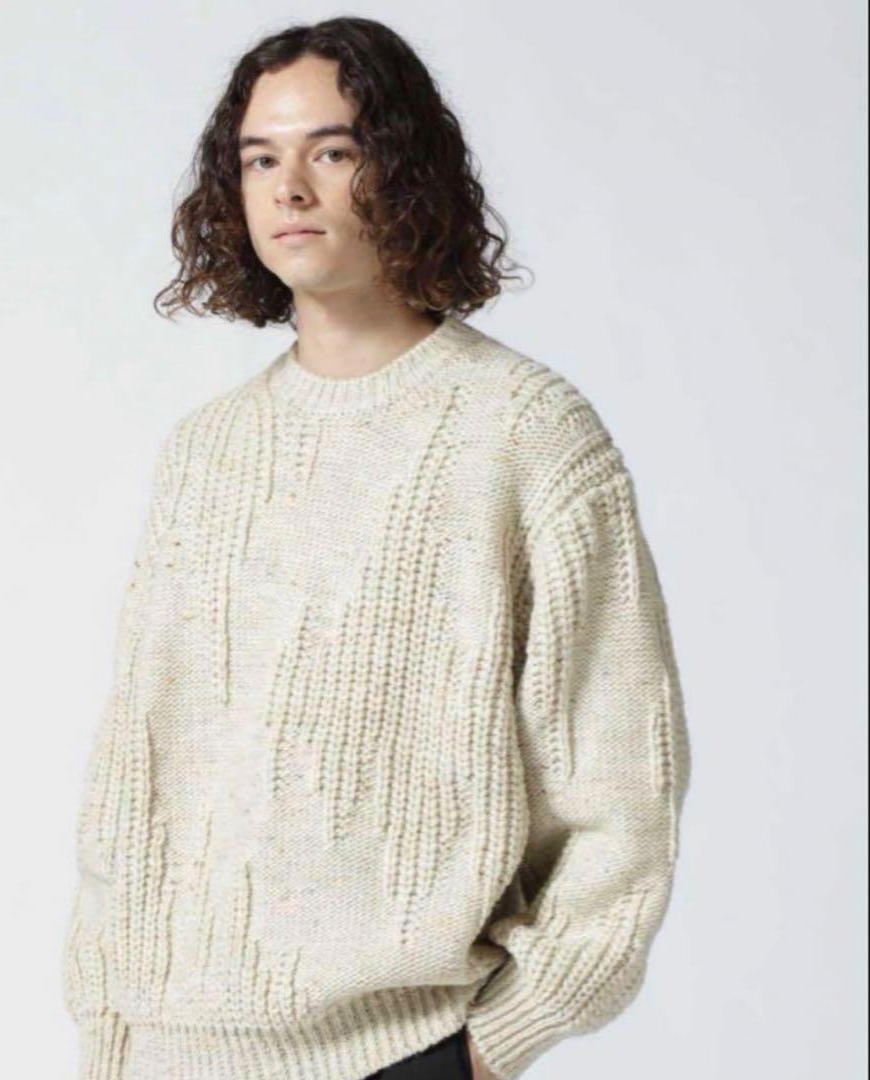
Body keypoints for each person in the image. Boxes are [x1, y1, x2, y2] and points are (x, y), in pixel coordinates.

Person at [61, 17, 691, 1080]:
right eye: (260, 159)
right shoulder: (205, 452)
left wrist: (493, 1044)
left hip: (397, 1050)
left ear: (402, 170)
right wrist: (106, 1031)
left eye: (333, 150)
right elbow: (139, 773)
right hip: (167, 1053)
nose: (289, 188)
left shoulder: (524, 433)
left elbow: (620, 785)